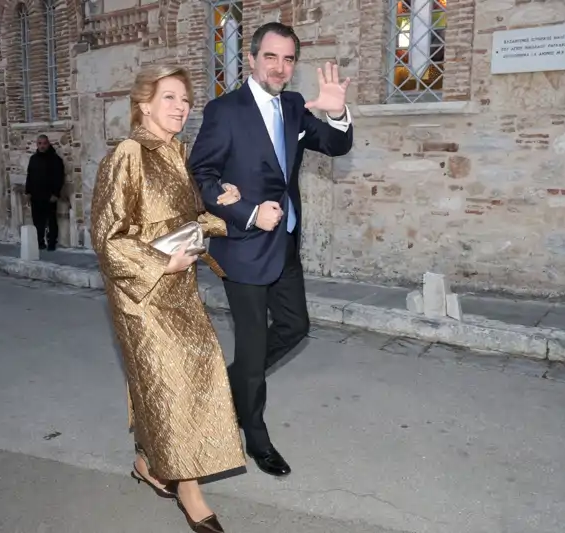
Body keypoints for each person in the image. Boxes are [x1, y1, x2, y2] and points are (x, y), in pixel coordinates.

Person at [189, 22, 354, 478]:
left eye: (288, 60)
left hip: (284, 245)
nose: (280, 67)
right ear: (251, 59)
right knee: (255, 340)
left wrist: (338, 115)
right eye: (271, 57)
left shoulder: (296, 106)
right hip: (243, 248)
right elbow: (200, 174)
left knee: (295, 326)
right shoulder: (226, 110)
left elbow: (336, 145)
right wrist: (246, 211)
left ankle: (228, 384)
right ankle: (255, 435)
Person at [90, 65, 245, 533]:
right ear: (144, 104)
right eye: (170, 98)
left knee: (192, 374)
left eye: (185, 100)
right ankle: (188, 490)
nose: (181, 108)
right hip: (143, 296)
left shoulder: (177, 154)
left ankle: (148, 461)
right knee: (170, 384)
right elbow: (107, 236)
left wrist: (223, 210)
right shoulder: (129, 155)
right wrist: (162, 263)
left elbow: (187, 219)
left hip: (181, 291)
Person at [25, 135, 64, 251]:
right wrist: (28, 192)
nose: (42, 146)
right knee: (37, 221)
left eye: (44, 143)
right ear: (37, 145)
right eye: (40, 143)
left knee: (51, 220)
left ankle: (52, 243)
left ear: (48, 144)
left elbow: (59, 178)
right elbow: (29, 176)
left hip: (49, 196)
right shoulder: (33, 159)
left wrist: (56, 194)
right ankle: (40, 242)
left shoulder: (56, 160)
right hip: (36, 195)